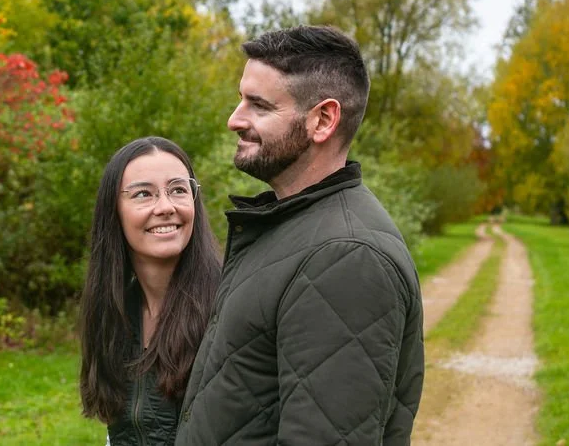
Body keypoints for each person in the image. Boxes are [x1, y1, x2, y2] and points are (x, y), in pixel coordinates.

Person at [175, 26, 425, 446]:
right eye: (242, 99)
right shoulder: (290, 227)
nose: (234, 119)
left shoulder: (345, 257)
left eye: (258, 105)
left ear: (322, 120)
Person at [80, 136, 221, 446]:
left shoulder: (228, 307)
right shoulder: (112, 311)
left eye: (178, 190)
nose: (166, 207)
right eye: (144, 193)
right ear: (113, 211)